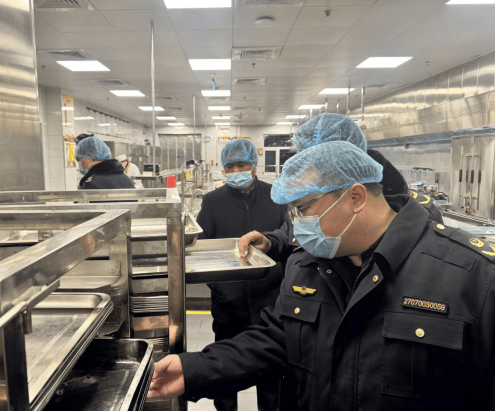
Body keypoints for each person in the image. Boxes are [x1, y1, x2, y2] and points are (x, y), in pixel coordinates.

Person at [147, 140, 494, 411]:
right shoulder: (308, 265)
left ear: (355, 197)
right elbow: (274, 341)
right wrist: (194, 369)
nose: (297, 224)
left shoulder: (472, 279)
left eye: (303, 209)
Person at [239, 113, 443, 269]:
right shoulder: (312, 195)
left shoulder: (413, 215)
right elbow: (296, 230)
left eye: (318, 161)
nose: (306, 169)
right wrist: (272, 242)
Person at [195, 138, 287, 411]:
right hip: (229, 303)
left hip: (270, 301)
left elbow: (288, 240)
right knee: (225, 372)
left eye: (242, 165)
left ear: (254, 165)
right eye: (230, 167)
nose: (236, 171)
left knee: (271, 372)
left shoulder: (276, 196)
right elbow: (200, 247)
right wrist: (219, 287)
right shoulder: (212, 201)